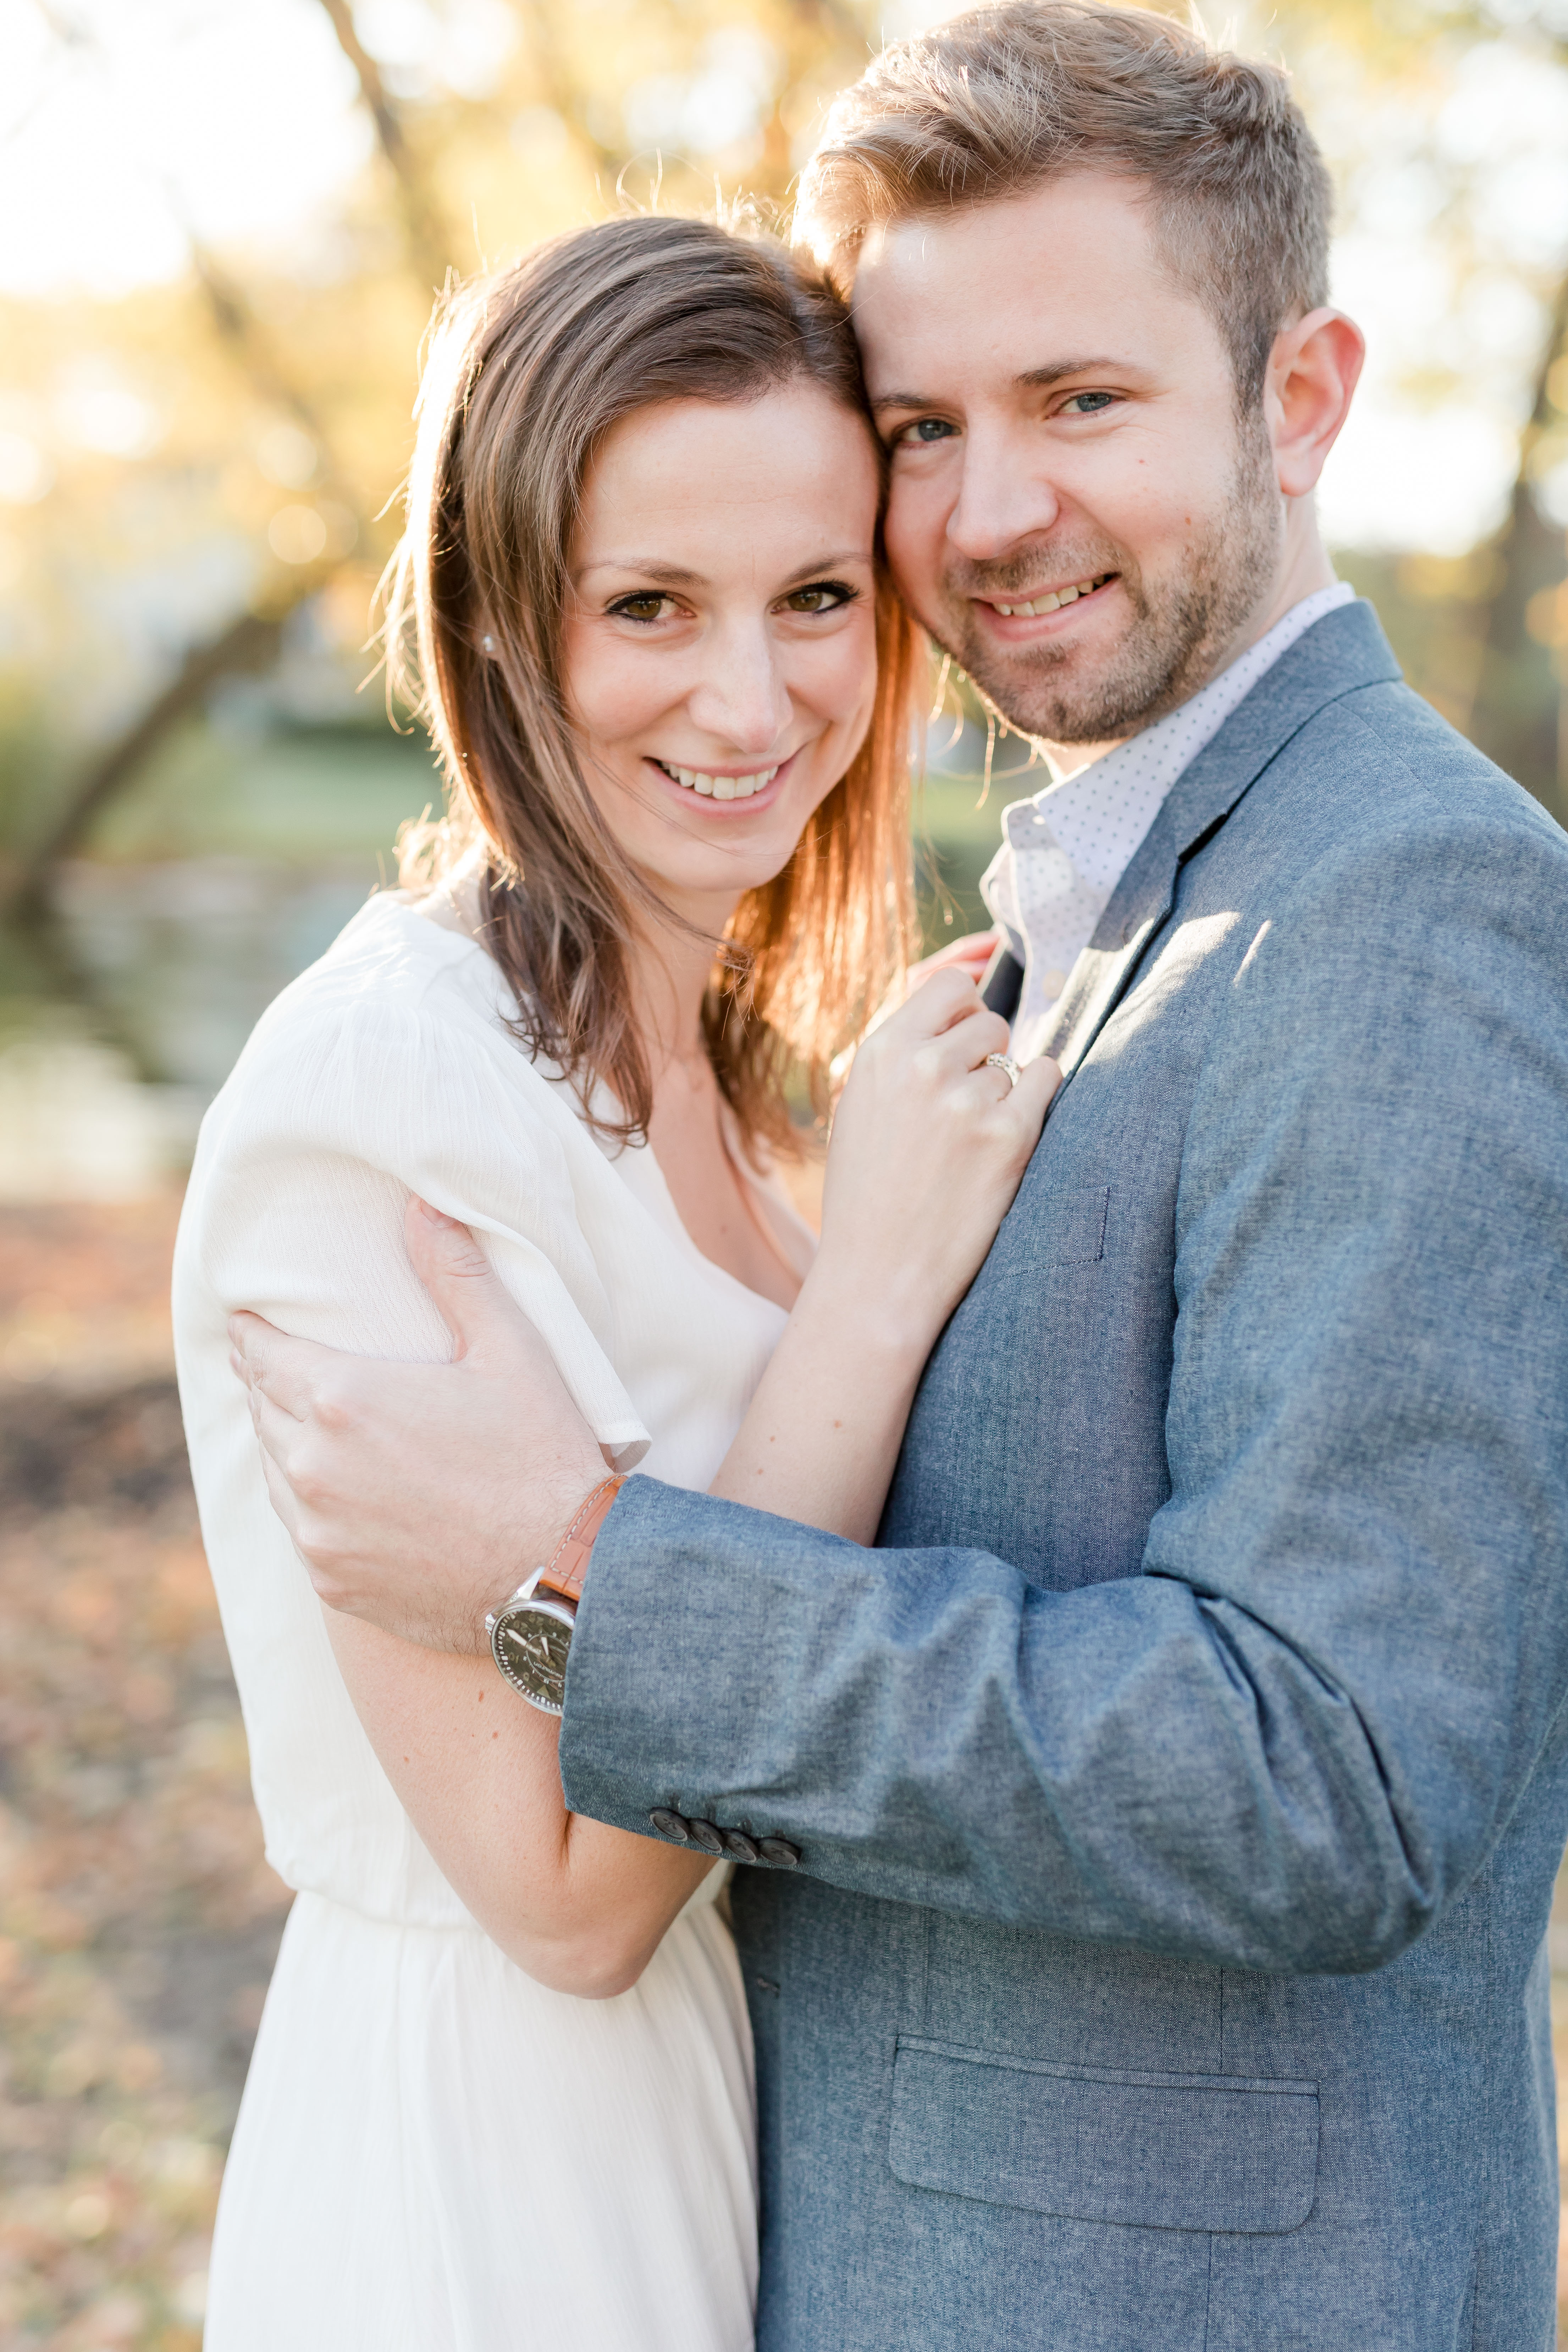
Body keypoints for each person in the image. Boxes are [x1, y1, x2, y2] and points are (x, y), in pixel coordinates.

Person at [230, 6, 1568, 2349]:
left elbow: (1327, 1773)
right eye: (926, 432)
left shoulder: (1397, 899)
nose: (985, 513)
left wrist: (588, 1578)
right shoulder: (1066, 935)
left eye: (1080, 402)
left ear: (1301, 396)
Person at [172, 211, 1055, 2352]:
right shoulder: (379, 1106)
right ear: (495, 624)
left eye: (816, 599)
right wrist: (868, 1296)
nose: (749, 702)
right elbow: (562, 1897)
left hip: (731, 2120)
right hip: (488, 2176)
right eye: (648, 605)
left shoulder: (737, 1087)